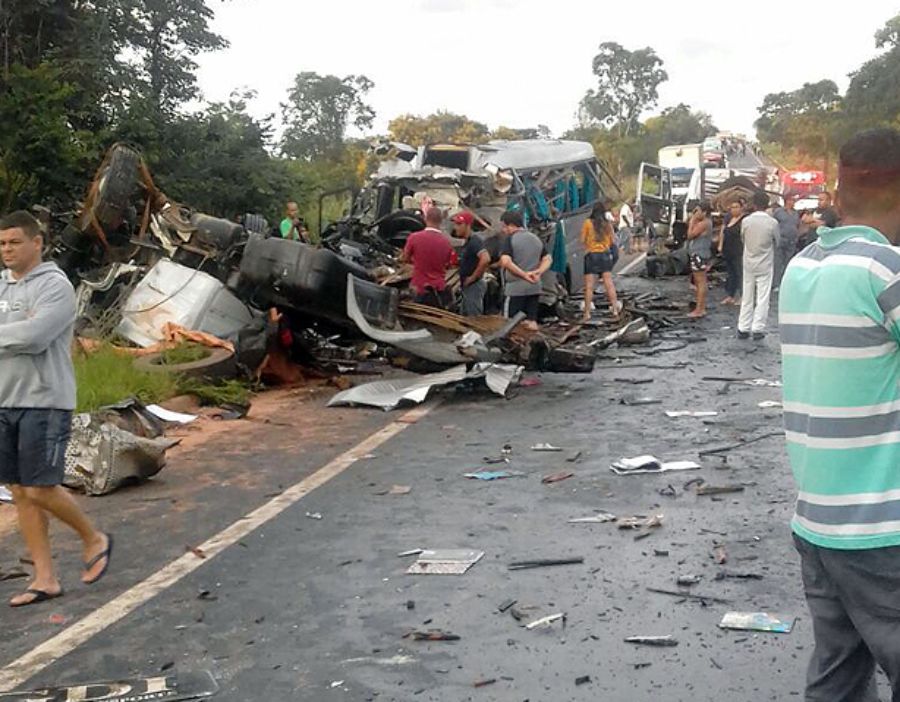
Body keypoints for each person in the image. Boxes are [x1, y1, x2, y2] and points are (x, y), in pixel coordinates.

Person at [779, 127, 900, 700]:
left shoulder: (804, 266)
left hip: (820, 523)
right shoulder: (884, 271)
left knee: (838, 676)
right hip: (883, 530)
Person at [0, 211, 112, 608]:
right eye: (2, 243)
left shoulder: (55, 287)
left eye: (14, 242)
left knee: (40, 487)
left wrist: (16, 331)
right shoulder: (1, 287)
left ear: (37, 243)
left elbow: (35, 336)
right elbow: (19, 333)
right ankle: (44, 578)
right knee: (19, 492)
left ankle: (93, 538)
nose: (7, 250)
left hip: (44, 401)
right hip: (5, 400)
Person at [498, 210, 551, 330]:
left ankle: (511, 347)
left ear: (511, 225)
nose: (503, 230)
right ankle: (531, 345)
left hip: (515, 290)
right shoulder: (535, 238)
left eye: (504, 226)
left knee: (509, 326)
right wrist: (539, 272)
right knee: (531, 322)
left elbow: (505, 261)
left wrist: (524, 275)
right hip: (534, 288)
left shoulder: (510, 239)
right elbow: (548, 258)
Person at [737, 191, 779, 339]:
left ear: (754, 204)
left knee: (747, 295)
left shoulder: (746, 221)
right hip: (765, 263)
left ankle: (743, 327)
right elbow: (777, 241)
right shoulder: (772, 223)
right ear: (767, 205)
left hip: (748, 262)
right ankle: (758, 328)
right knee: (763, 297)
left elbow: (743, 238)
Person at [401, 207, 454, 308]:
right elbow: (448, 264)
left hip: (418, 287)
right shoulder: (447, 243)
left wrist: (414, 260)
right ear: (441, 221)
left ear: (425, 218)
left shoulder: (414, 237)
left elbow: (405, 259)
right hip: (438, 290)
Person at [581, 203, 621, 322]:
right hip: (604, 255)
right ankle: (614, 309)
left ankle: (587, 313)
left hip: (591, 255)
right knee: (609, 284)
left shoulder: (587, 223)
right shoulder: (607, 224)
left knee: (589, 286)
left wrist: (589, 245)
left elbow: (582, 240)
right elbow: (612, 241)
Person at [452, 211, 490, 316]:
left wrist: (472, 278)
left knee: (474, 318)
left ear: (468, 225)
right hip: (467, 286)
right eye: (455, 224)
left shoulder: (475, 241)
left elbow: (486, 259)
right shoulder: (468, 242)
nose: (456, 227)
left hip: (474, 286)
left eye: (459, 224)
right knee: (465, 316)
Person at [685, 201, 714, 318]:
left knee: (700, 281)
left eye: (698, 211)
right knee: (699, 282)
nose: (695, 213)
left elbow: (690, 235)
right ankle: (700, 307)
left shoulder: (704, 223)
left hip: (699, 254)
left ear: (704, 212)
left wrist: (692, 221)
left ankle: (699, 309)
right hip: (700, 253)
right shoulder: (706, 222)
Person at [717, 199, 745, 305]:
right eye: (732, 207)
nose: (734, 209)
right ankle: (730, 295)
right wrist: (720, 244)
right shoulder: (728, 218)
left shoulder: (744, 219)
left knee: (739, 273)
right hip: (728, 250)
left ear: (741, 208)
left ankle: (742, 296)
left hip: (739, 250)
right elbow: (722, 231)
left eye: (736, 207)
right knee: (730, 273)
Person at [771, 193, 800, 288]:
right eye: (791, 200)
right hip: (781, 240)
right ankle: (776, 284)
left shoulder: (796, 213)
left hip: (792, 241)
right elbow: (773, 224)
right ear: (787, 201)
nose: (793, 202)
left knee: (788, 262)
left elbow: (797, 225)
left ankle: (786, 283)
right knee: (778, 263)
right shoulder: (778, 212)